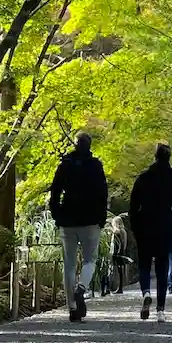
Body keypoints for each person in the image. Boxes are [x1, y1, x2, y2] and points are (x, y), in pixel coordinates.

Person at [49, 131, 108, 322]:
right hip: (90, 220)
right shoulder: (95, 166)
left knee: (69, 265)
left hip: (67, 220)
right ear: (89, 146)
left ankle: (72, 308)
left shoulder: (64, 165)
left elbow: (55, 192)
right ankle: (81, 287)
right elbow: (103, 194)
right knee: (90, 259)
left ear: (75, 145)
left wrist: (57, 215)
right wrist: (101, 218)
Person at [129, 143, 172, 323]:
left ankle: (146, 292)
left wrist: (135, 227)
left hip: (145, 224)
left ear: (154, 157)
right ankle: (160, 310)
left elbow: (133, 206)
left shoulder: (143, 178)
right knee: (162, 267)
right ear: (169, 158)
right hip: (165, 225)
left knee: (144, 264)